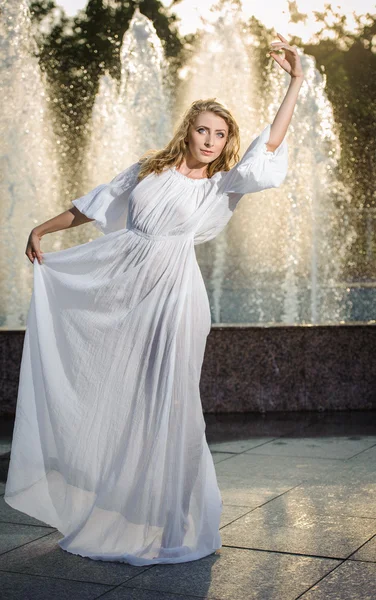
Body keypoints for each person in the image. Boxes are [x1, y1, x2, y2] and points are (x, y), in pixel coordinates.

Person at [4, 34, 304, 565]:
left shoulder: (223, 183)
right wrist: (40, 227)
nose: (210, 140)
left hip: (175, 294)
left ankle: (173, 519)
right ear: (186, 129)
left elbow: (271, 146)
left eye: (220, 133)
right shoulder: (148, 169)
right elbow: (92, 207)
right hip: (125, 285)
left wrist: (295, 82)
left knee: (173, 399)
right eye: (202, 129)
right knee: (126, 396)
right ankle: (121, 505)